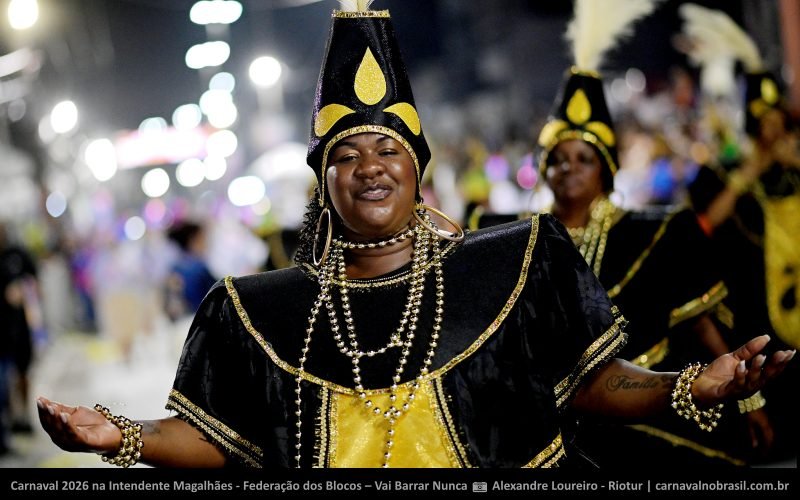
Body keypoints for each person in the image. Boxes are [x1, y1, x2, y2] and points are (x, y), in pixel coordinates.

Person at [37, 1, 794, 469]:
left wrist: (691, 384)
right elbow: (226, 439)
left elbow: (596, 384)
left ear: (418, 169)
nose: (370, 165)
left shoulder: (514, 266)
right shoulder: (253, 312)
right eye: (348, 153)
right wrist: (124, 435)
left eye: (388, 148)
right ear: (322, 179)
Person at [471, 1, 775, 466]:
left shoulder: (653, 231)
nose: (568, 167)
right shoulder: (522, 238)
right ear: (543, 168)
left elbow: (696, 318)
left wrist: (747, 398)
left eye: (584, 158)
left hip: (646, 408)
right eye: (558, 158)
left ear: (606, 170)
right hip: (550, 419)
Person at [683, 7, 800, 463]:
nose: (775, 135)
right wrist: (751, 170)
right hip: (760, 331)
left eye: (782, 125)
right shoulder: (720, 174)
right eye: (764, 125)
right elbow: (703, 227)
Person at [0, 222, 38, 453]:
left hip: (19, 329)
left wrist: (24, 291)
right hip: (2, 336)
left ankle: (22, 417)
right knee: (3, 387)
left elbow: (33, 281)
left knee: (23, 374)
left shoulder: (16, 254)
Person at [164, 220, 218, 321]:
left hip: (182, 322)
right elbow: (220, 293)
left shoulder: (174, 268)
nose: (206, 242)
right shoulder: (199, 268)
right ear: (194, 240)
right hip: (201, 321)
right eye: (203, 238)